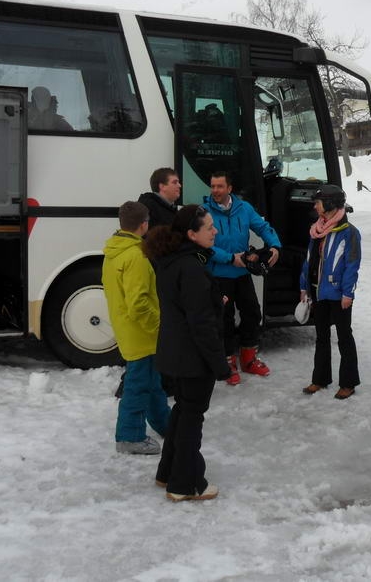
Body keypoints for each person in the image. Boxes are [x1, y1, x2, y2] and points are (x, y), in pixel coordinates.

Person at [145, 205, 231, 501]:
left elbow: (185, 306)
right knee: (191, 418)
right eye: (209, 227)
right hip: (192, 358)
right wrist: (220, 364)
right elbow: (201, 323)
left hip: (175, 352)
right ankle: (187, 484)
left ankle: (167, 472)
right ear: (192, 234)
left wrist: (211, 299)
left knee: (182, 411)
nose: (215, 230)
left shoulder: (172, 260)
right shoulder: (190, 266)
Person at [101, 201, 171, 455]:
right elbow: (139, 303)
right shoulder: (137, 256)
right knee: (139, 384)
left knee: (152, 381)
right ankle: (129, 436)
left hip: (128, 329)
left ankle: (166, 423)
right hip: (142, 332)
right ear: (144, 225)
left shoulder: (113, 253)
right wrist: (160, 327)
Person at [203, 171, 281, 385]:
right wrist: (229, 258)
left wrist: (274, 245)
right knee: (224, 320)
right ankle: (228, 362)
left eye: (220, 186)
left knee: (253, 314)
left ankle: (248, 359)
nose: (215, 191)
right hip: (218, 275)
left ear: (229, 188)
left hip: (242, 273)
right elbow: (203, 246)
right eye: (213, 186)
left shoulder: (244, 208)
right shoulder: (204, 211)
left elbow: (262, 227)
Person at [299, 185, 361, 399]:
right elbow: (308, 261)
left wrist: (347, 294)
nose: (315, 206)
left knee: (344, 337)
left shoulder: (350, 233)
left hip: (339, 295)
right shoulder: (316, 230)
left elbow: (352, 265)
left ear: (330, 204)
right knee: (321, 337)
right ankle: (320, 379)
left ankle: (349, 382)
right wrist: (304, 287)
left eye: (318, 202)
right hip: (318, 292)